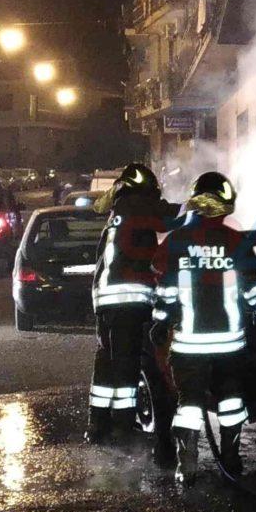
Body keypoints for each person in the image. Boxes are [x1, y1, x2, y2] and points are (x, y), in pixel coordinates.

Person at [150, 172, 256, 484]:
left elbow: (165, 291)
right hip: (231, 346)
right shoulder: (236, 242)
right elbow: (254, 291)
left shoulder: (177, 243)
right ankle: (231, 459)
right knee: (231, 399)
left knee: (189, 403)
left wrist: (160, 323)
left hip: (190, 347)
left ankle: (187, 465)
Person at [87, 164, 179, 459]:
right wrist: (199, 207)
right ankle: (123, 428)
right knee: (128, 365)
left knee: (109, 364)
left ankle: (99, 425)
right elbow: (166, 219)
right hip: (127, 301)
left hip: (106, 301)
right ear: (144, 189)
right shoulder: (134, 204)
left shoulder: (118, 210)